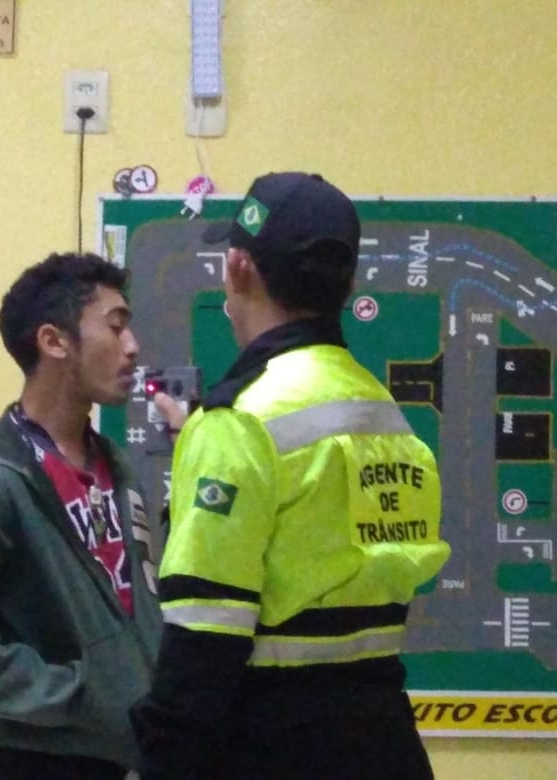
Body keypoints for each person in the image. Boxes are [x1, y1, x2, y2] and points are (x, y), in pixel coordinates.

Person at [130, 172, 451, 779]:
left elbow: (204, 641)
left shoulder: (239, 423)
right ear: (346, 284)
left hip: (268, 748)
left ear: (237, 268)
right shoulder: (386, 417)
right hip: (384, 744)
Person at [0, 252, 163, 780]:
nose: (132, 346)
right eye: (115, 326)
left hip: (123, 758)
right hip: (31, 762)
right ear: (54, 341)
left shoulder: (116, 471)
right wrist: (76, 696)